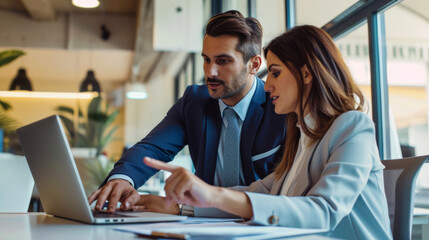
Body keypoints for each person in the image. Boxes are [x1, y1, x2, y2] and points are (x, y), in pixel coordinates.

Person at [140, 25, 392, 239]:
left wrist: (212, 194)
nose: (267, 85)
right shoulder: (301, 136)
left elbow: (324, 211)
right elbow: (259, 193)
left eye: (275, 73)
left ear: (306, 74)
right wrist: (184, 207)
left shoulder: (352, 126)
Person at [88, 10, 286, 213]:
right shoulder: (195, 102)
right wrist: (122, 178)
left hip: (262, 224)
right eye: (207, 60)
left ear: (254, 65)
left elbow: (285, 192)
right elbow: (151, 148)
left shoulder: (280, 106)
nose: (210, 72)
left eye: (223, 61)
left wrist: (184, 208)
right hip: (200, 226)